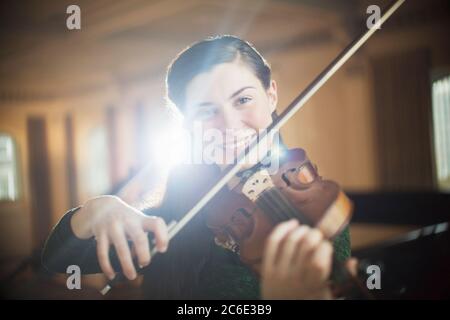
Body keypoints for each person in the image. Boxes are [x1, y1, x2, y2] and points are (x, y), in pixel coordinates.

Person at [42, 35, 352, 299]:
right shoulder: (181, 206)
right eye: (207, 112)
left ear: (271, 95)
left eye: (243, 100)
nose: (229, 125)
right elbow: (59, 259)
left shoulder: (317, 209)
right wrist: (95, 211)